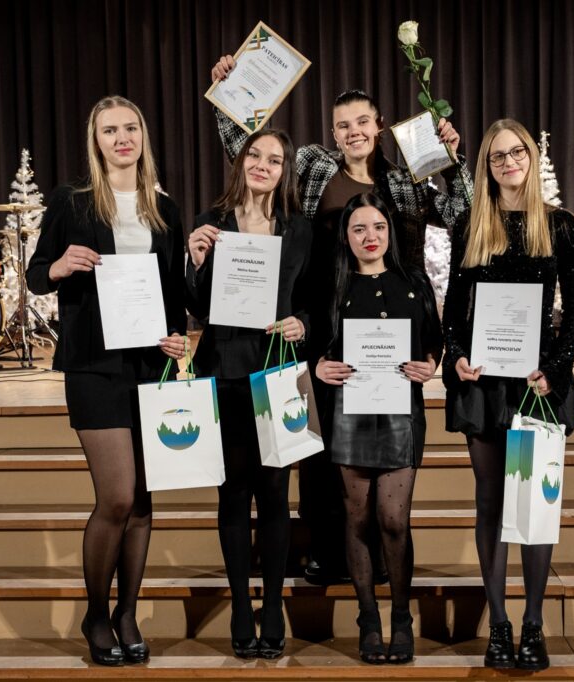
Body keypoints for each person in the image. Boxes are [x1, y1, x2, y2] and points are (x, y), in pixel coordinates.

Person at [211, 54, 472, 585]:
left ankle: (381, 549)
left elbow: (460, 214)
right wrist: (227, 95)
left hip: (390, 329)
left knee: (384, 440)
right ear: (333, 132)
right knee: (320, 441)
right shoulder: (313, 166)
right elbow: (248, 154)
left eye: (363, 122)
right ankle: (326, 548)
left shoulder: (406, 179)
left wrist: (450, 161)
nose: (354, 132)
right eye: (343, 125)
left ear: (380, 126)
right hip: (325, 321)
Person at [26, 95, 187, 667]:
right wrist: (59, 266)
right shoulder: (72, 200)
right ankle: (96, 613)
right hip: (94, 364)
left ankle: (127, 613)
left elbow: (173, 292)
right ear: (95, 141)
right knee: (117, 496)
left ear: (143, 135)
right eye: (110, 130)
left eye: (131, 128)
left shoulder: (164, 207)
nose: (123, 138)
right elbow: (36, 275)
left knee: (142, 502)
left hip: (149, 364)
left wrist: (177, 336)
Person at [442, 119, 574, 671]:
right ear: (487, 166)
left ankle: (533, 625)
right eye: (498, 156)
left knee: (535, 504)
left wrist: (556, 370)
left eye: (517, 152)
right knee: (491, 502)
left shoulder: (560, 226)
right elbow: (455, 309)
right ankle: (499, 625)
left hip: (536, 382)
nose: (508, 163)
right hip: (485, 383)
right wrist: (457, 354)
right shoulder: (471, 223)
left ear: (530, 156)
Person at [184, 128, 312, 660]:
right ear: (240, 162)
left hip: (278, 373)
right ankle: (241, 605)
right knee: (233, 494)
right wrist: (195, 261)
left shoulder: (299, 229)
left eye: (275, 159)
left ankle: (273, 605)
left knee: (276, 495)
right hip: (225, 371)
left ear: (285, 171)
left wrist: (302, 323)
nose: (263, 165)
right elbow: (195, 306)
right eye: (254, 155)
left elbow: (313, 299)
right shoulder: (211, 224)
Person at [315, 193, 441, 664]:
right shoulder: (333, 284)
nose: (371, 237)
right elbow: (316, 343)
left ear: (390, 231)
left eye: (379, 227)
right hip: (349, 410)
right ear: (346, 237)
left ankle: (401, 618)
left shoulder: (414, 281)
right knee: (358, 519)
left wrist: (431, 364)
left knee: (392, 519)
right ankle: (368, 619)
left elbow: (434, 343)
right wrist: (318, 365)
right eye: (359, 229)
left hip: (400, 411)